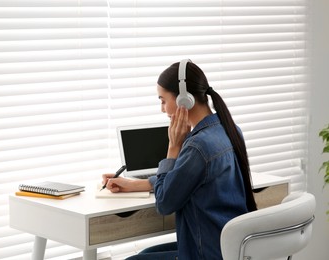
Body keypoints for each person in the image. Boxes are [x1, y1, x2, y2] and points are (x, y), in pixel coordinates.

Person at [102, 60, 257, 260]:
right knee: (145, 254)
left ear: (185, 99)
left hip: (206, 253)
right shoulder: (230, 130)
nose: (162, 109)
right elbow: (184, 179)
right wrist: (133, 185)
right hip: (228, 248)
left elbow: (165, 204)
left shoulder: (197, 147)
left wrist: (173, 147)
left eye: (163, 100)